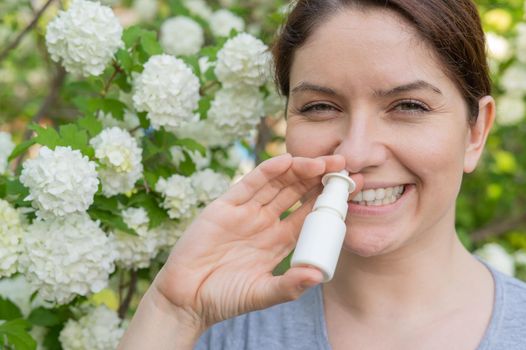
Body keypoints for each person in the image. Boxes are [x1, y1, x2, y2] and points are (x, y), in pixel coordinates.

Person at [118, 0, 526, 349]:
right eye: (319, 107)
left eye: (409, 106)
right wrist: (172, 312)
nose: (355, 151)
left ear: (476, 132)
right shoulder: (213, 327)